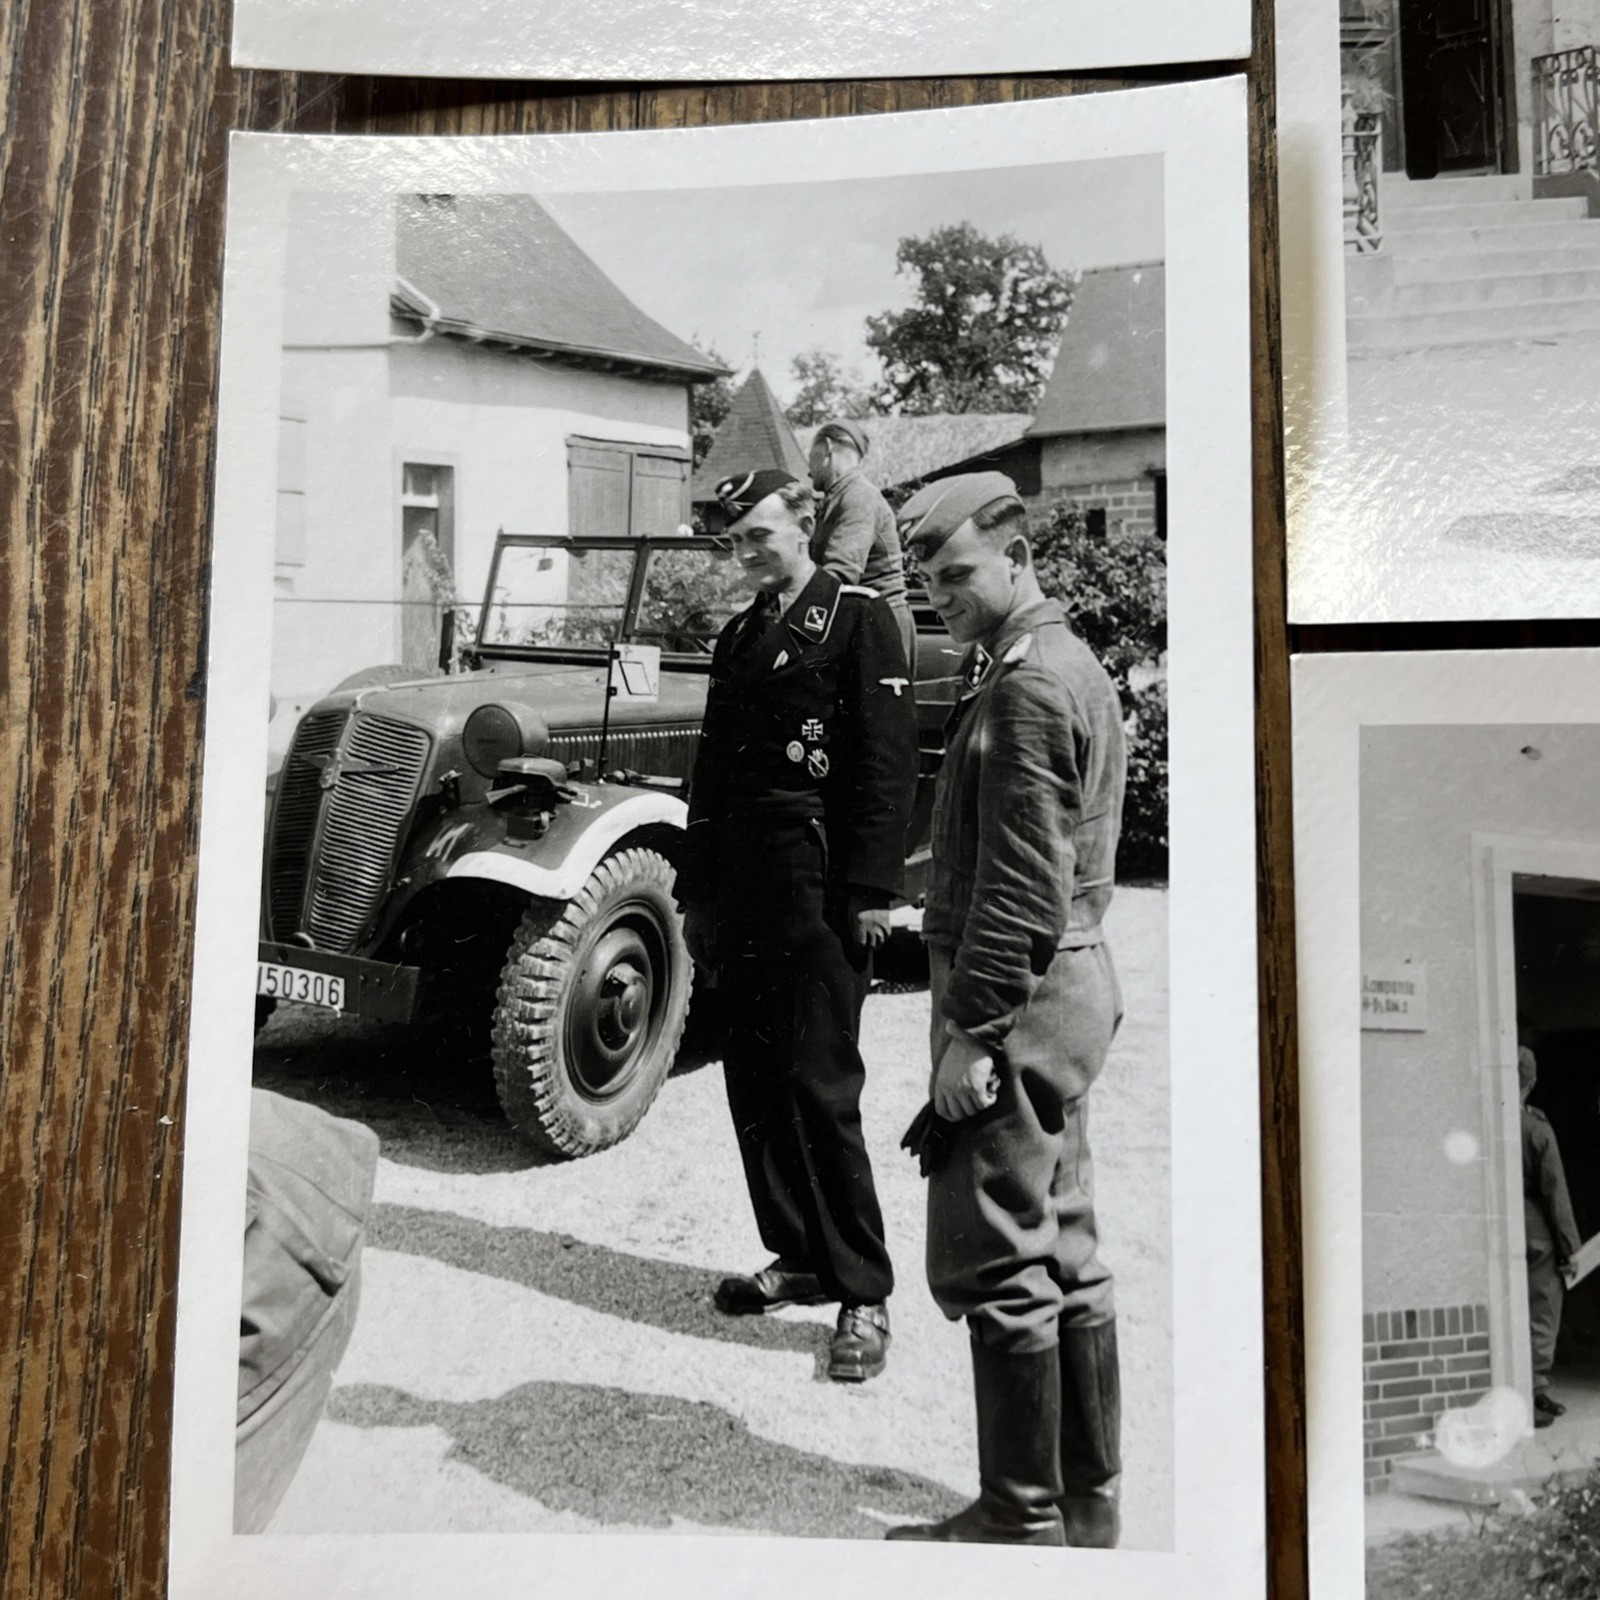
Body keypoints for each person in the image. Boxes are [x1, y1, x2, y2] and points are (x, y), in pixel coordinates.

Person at [884, 472, 1127, 1547]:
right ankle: (1088, 1504)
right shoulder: (1061, 663)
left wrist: (972, 1032)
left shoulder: (1028, 685)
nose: (942, 597)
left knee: (1000, 1256)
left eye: (958, 575)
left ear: (1017, 556)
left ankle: (1020, 1518)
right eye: (929, 583)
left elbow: (1024, 884)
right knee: (1065, 1241)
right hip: (1067, 984)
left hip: (1018, 1001)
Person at [676, 466, 918, 1383]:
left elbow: (886, 769)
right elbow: (711, 771)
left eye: (760, 536)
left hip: (816, 888)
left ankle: (864, 1289)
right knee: (754, 1081)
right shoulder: (740, 635)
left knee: (821, 1084)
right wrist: (696, 894)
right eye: (734, 541)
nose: (746, 553)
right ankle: (801, 1254)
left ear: (806, 523)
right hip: (741, 888)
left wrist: (870, 893)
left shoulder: (857, 619)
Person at [807, 420, 914, 662]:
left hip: (878, 625)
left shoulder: (858, 496)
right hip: (861, 620)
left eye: (810, 456)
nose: (808, 468)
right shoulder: (838, 497)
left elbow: (840, 571)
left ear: (827, 447)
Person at [1521, 1045, 1581, 1427]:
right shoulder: (1536, 1127)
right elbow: (1555, 1192)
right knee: (1543, 1307)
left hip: (1501, 1227)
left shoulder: (1487, 1120)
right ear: (1532, 1082)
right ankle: (1534, 1391)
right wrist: (1570, 1248)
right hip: (1536, 1231)